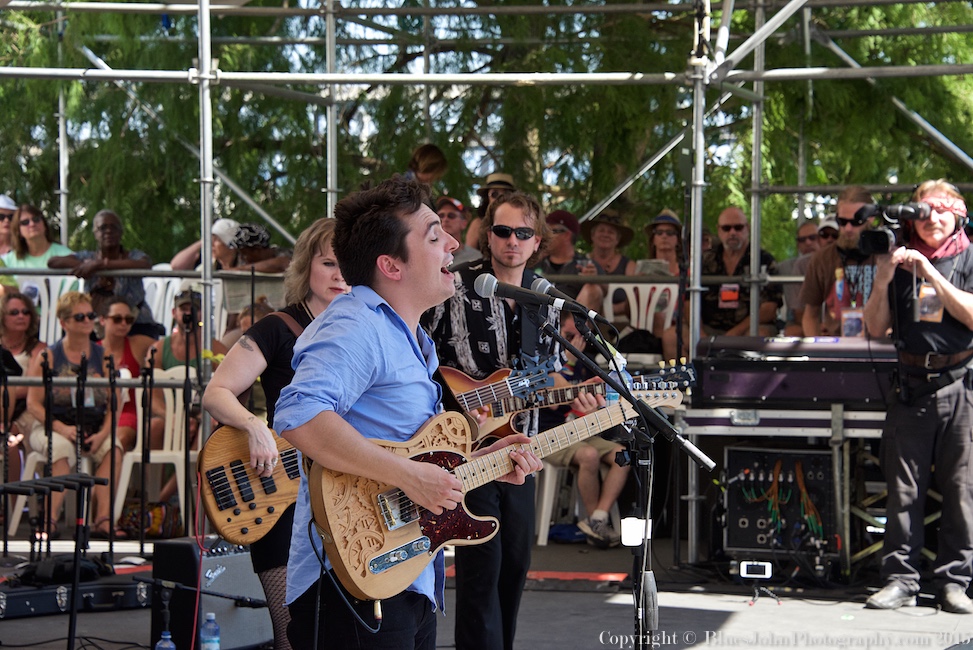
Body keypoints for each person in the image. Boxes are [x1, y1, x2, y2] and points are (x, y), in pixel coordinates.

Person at [274, 176, 540, 649]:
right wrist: (409, 475)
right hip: (353, 580)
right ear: (390, 265)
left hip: (404, 569)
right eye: (435, 236)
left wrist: (490, 457)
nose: (455, 245)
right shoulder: (358, 324)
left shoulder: (408, 338)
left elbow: (415, 454)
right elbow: (299, 414)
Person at [423, 190, 598, 650]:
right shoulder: (453, 286)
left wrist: (577, 399)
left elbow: (547, 376)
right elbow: (416, 358)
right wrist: (456, 407)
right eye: (503, 231)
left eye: (523, 233)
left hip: (525, 450)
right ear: (486, 234)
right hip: (466, 447)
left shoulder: (545, 299)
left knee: (515, 568)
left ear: (537, 241)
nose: (512, 242)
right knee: (483, 569)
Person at [203, 218, 349, 650]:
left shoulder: (370, 331)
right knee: (292, 635)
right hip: (279, 497)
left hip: (345, 496)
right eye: (328, 263)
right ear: (306, 267)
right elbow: (218, 392)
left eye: (348, 264)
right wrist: (253, 425)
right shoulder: (277, 328)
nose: (340, 274)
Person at [862, 180, 973, 614]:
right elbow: (873, 327)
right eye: (926, 212)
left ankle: (953, 582)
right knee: (903, 491)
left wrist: (930, 274)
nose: (934, 220)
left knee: (962, 491)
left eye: (943, 212)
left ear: (959, 215)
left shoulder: (967, 254)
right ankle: (900, 580)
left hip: (960, 384)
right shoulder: (897, 256)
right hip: (909, 385)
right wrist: (884, 276)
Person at [24, 291, 119, 540]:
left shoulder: (105, 357)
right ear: (64, 322)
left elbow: (113, 406)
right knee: (63, 449)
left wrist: (102, 435)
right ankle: (49, 520)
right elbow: (33, 403)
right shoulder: (48, 357)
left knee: (114, 448)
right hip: (51, 425)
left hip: (94, 427)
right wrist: (60, 428)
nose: (88, 321)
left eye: (90, 316)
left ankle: (102, 519)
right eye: (80, 316)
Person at [539, 318, 627, 549]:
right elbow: (554, 403)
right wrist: (567, 359)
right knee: (588, 455)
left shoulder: (586, 364)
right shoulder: (544, 359)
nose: (574, 342)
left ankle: (597, 518)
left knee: (622, 456)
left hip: (576, 430)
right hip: (545, 434)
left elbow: (590, 410)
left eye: (579, 337)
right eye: (567, 337)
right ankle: (592, 522)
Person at [662, 206, 781, 360]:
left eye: (738, 228)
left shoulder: (764, 260)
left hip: (748, 329)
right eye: (726, 228)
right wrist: (700, 333)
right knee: (671, 336)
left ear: (748, 228)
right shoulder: (704, 260)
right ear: (719, 230)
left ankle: (747, 384)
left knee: (760, 335)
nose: (732, 232)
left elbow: (769, 308)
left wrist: (733, 334)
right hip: (708, 329)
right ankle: (688, 382)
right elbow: (688, 301)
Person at [48, 209, 164, 339]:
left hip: (135, 323)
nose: (108, 231)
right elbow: (53, 262)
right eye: (103, 228)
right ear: (95, 233)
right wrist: (85, 266)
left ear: (121, 232)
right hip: (98, 324)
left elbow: (145, 265)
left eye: (113, 227)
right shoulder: (88, 257)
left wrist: (100, 265)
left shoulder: (133, 256)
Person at [800, 187, 877, 337]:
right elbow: (810, 315)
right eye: (842, 221)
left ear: (871, 219)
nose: (848, 228)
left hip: (879, 347)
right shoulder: (822, 258)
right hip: (836, 345)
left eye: (856, 221)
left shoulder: (885, 256)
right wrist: (817, 354)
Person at [0, 291, 46, 518]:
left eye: (26, 312)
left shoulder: (38, 348)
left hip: (27, 409)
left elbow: (33, 387)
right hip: (4, 409)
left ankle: (12, 509)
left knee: (9, 441)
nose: (21, 316)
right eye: (14, 312)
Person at [534, 209, 602, 310]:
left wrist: (595, 279)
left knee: (593, 289)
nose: (544, 237)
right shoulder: (537, 262)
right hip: (536, 317)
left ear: (566, 235)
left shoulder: (586, 264)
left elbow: (608, 289)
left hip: (571, 318)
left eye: (549, 231)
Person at [2, 204, 73, 299]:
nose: (32, 224)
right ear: (18, 231)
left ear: (44, 224)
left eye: (36, 219)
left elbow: (74, 291)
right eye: (25, 222)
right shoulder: (7, 261)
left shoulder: (66, 256)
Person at [777, 220, 822, 336]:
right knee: (792, 332)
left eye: (813, 237)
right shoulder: (787, 267)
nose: (808, 242)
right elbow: (798, 313)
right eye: (802, 240)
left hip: (833, 320)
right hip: (804, 321)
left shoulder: (834, 260)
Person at [464, 172, 517, 250]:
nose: (500, 199)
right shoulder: (478, 223)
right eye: (494, 194)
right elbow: (469, 254)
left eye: (506, 194)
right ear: (487, 198)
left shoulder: (520, 223)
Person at [169, 218, 241, 271]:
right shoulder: (207, 261)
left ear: (232, 246)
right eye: (211, 239)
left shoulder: (244, 262)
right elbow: (175, 266)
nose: (211, 243)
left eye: (217, 240)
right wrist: (203, 241)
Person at [227, 223, 292, 273]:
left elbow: (283, 263)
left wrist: (238, 270)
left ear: (257, 249)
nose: (242, 258)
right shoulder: (244, 262)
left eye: (244, 254)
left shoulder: (284, 253)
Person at [437, 196, 480, 266]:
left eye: (451, 216)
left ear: (464, 223)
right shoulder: (426, 254)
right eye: (441, 215)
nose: (445, 219)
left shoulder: (476, 258)